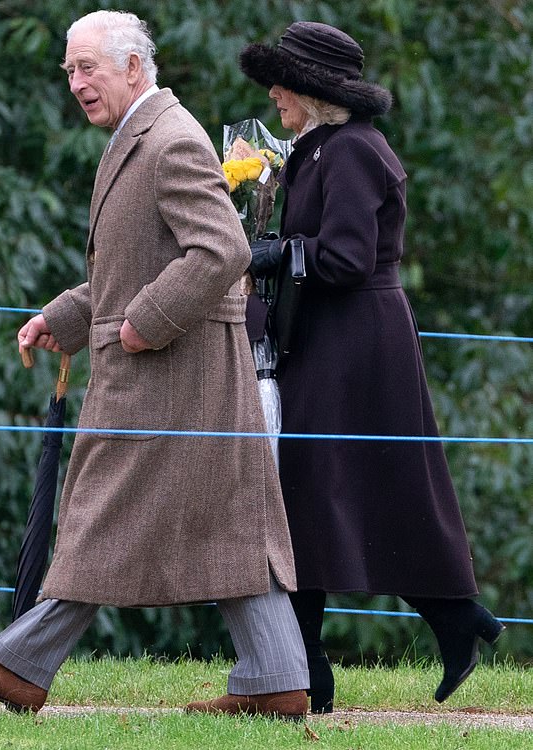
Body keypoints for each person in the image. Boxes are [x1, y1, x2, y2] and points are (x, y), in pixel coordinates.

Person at [0, 10, 311, 720]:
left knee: (100, 517)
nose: (75, 84)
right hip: (169, 377)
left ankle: (20, 664)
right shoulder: (144, 134)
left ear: (133, 68)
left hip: (174, 375)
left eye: (87, 68)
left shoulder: (169, 140)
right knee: (231, 518)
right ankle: (276, 676)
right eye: (69, 71)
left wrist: (146, 322)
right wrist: (64, 319)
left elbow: (221, 251)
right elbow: (136, 264)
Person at [239, 21, 505, 714]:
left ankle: (426, 627)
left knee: (337, 492)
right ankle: (324, 665)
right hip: (328, 338)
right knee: (317, 497)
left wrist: (270, 254)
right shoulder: (317, 149)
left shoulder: (353, 150)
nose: (273, 94)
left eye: (283, 83)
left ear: (315, 93)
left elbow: (347, 259)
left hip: (357, 342)